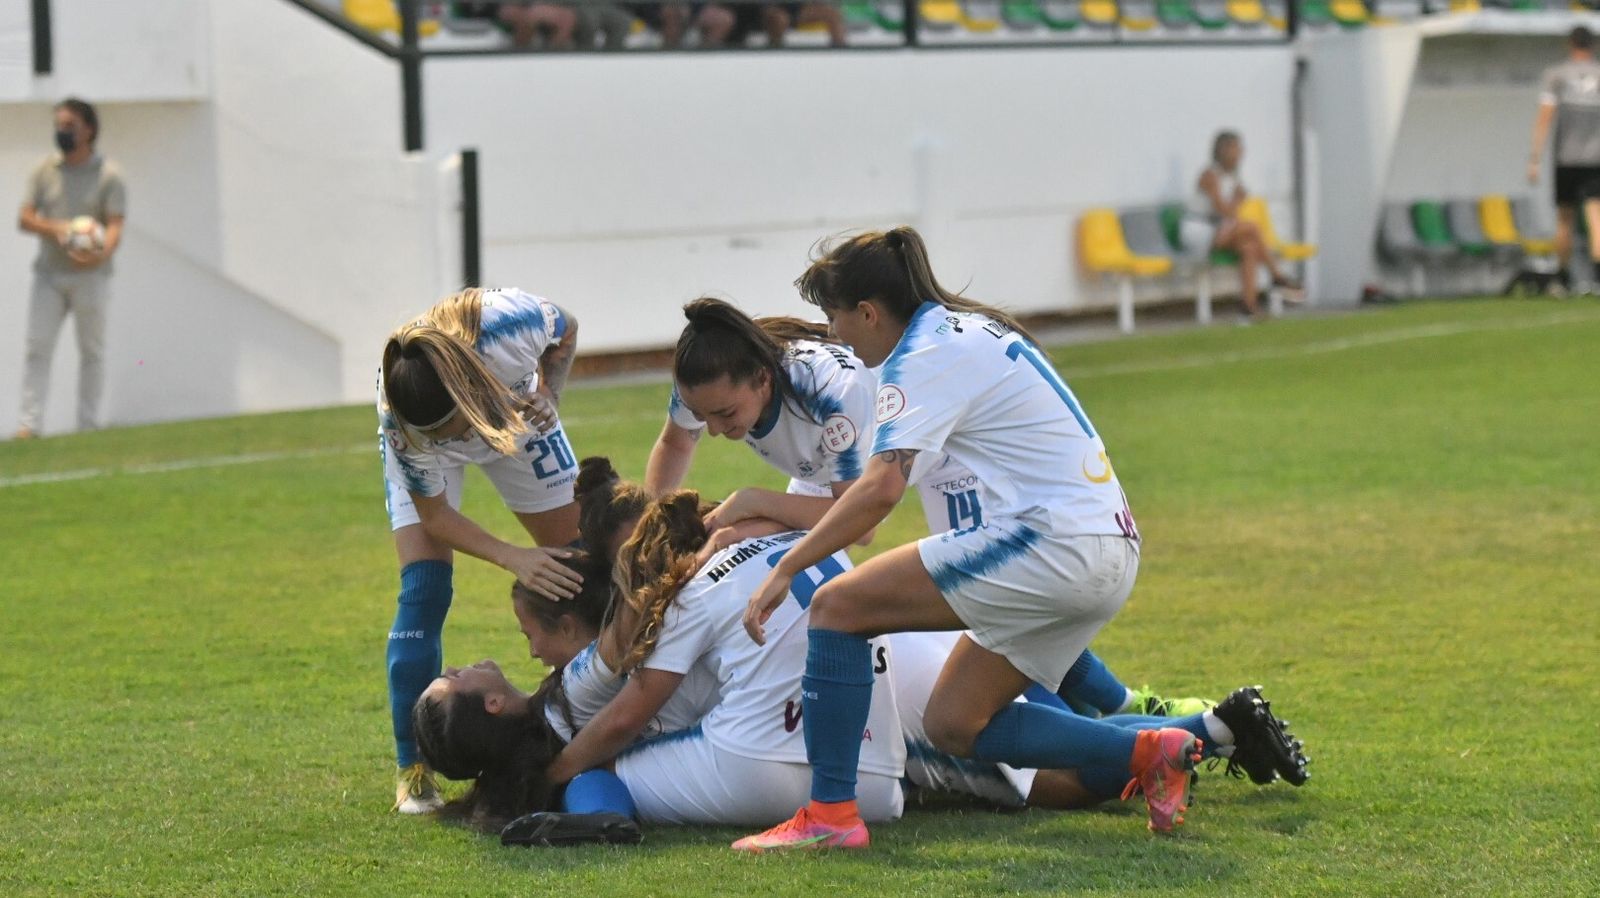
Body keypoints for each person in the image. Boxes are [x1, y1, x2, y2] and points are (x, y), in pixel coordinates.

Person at [733, 226, 1197, 853]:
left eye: (835, 318)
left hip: (1054, 543)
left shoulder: (920, 354)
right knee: (955, 723)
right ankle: (1149, 748)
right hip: (1107, 547)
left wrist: (787, 566)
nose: (834, 335)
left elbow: (878, 492)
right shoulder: (966, 330)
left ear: (868, 312)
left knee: (836, 607)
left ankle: (831, 816)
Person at [648, 298, 1187, 720]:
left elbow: (859, 525)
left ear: (763, 379)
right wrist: (656, 523)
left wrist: (750, 503)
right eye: (704, 415)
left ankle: (1122, 712)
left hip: (941, 457)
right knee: (772, 545)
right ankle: (1099, 714)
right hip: (838, 471)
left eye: (725, 414)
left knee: (989, 617)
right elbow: (677, 444)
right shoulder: (703, 384)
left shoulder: (830, 400)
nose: (714, 429)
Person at [419, 484, 907, 827]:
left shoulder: (575, 689)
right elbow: (622, 654)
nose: (452, 667)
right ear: (492, 705)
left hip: (803, 765)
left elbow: (627, 683)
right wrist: (699, 556)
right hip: (869, 764)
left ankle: (596, 818)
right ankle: (596, 819)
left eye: (530, 632)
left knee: (599, 769)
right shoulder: (569, 692)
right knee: (602, 764)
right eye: (451, 680)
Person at [379, 286, 585, 814]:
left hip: (515, 419)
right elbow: (436, 517)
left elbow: (568, 329)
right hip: (459, 428)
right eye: (441, 437)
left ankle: (601, 719)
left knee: (584, 568)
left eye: (455, 431)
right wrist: (512, 557)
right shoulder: (405, 422)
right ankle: (414, 769)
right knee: (423, 589)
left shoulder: (510, 328)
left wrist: (550, 393)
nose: (455, 443)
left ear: (468, 391)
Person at [14, 97, 126, 440]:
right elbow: (25, 218)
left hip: (91, 277)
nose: (62, 132)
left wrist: (97, 254)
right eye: (59, 126)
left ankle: (88, 426)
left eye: (69, 126)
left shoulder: (109, 175)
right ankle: (29, 426)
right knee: (38, 347)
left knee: (91, 351)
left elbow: (115, 226)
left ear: (88, 130)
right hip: (49, 275)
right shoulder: (44, 171)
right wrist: (60, 229)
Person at [1181, 130, 1301, 322]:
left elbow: (1229, 217)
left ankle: (1248, 306)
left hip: (1217, 229)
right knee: (1252, 228)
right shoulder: (1210, 175)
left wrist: (1235, 206)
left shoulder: (1233, 177)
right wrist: (1238, 200)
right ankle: (1277, 277)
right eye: (1237, 148)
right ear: (1224, 150)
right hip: (1198, 231)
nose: (1241, 153)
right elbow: (1222, 210)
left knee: (1249, 248)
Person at [1529, 26, 1600, 293]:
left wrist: (1534, 159)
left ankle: (1562, 278)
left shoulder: (1557, 75)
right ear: (1593, 45)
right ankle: (1597, 278)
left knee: (1565, 219)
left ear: (1570, 44)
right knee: (1597, 218)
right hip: (1596, 158)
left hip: (1566, 159)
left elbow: (1545, 118)